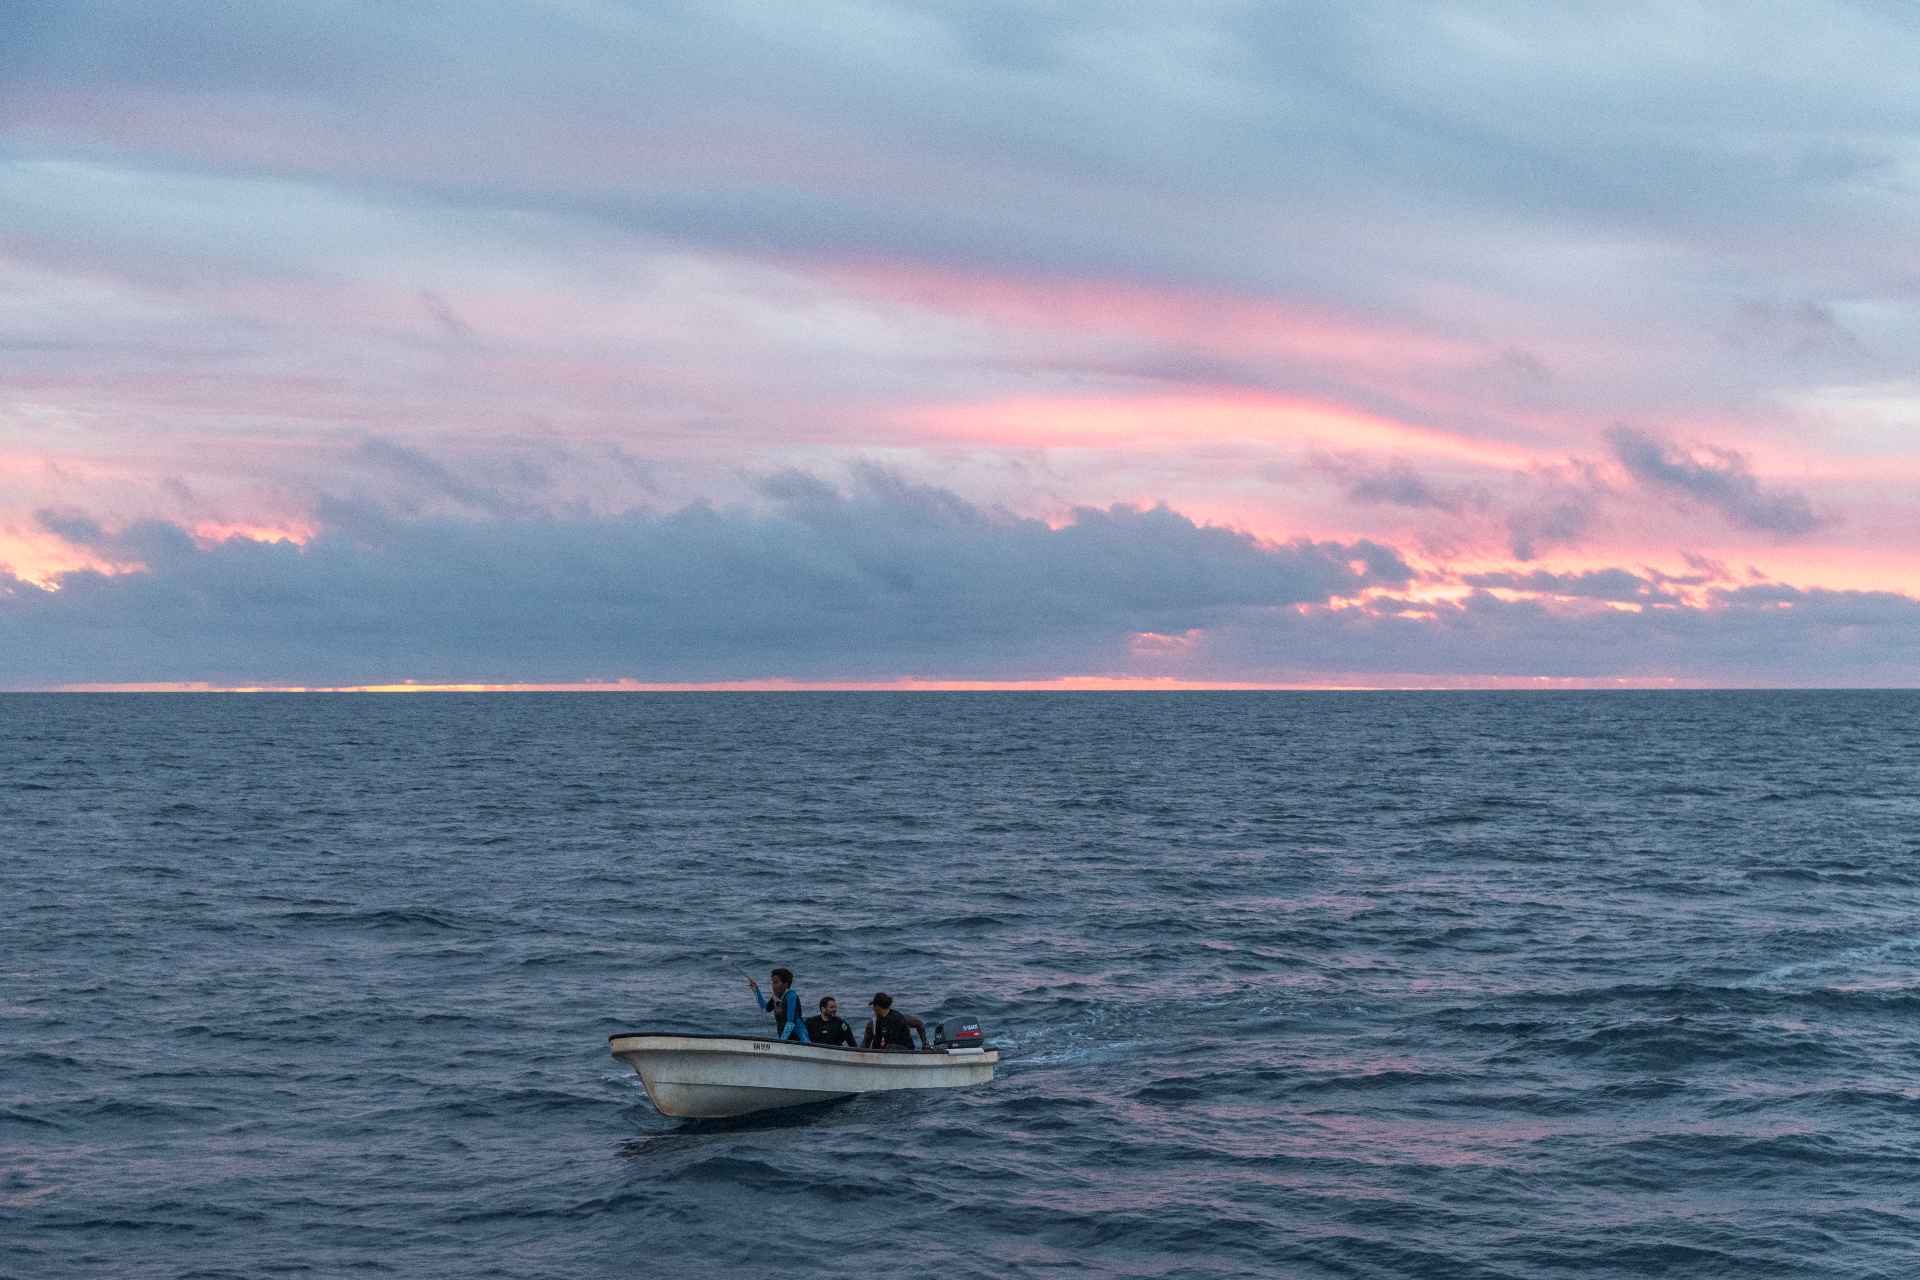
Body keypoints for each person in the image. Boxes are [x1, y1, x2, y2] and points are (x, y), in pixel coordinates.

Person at [747, 967, 811, 1043]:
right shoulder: (776, 996)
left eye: (776, 982)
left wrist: (781, 1042)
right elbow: (765, 1008)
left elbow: (791, 1022)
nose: (773, 986)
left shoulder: (791, 996)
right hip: (786, 1040)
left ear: (785, 984)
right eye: (772, 982)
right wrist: (756, 990)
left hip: (800, 1039)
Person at [862, 992, 929, 1052]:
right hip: (890, 1049)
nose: (873, 1009)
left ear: (877, 1007)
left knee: (890, 1046)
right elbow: (877, 1040)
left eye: (873, 1006)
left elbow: (894, 1041)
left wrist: (925, 1043)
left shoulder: (897, 1018)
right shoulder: (879, 1019)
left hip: (905, 1049)